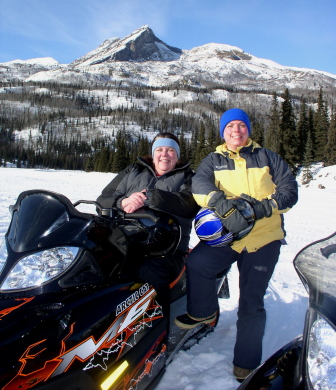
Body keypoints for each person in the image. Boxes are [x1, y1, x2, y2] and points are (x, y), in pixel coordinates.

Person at [174, 108, 298, 382]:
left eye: (241, 125)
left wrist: (262, 208)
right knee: (197, 263)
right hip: (229, 235)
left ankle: (246, 362)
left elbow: (289, 192)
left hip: (264, 238)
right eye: (230, 126)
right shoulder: (213, 159)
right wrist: (220, 202)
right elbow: (199, 184)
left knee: (251, 303)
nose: (236, 131)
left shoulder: (268, 157)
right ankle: (203, 313)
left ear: (248, 130)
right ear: (223, 132)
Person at [97, 132, 199, 317]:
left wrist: (149, 197)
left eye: (170, 150)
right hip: (122, 241)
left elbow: (189, 204)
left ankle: (157, 334)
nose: (164, 154)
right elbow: (104, 199)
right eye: (159, 149)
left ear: (177, 155)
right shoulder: (134, 170)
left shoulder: (188, 177)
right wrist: (123, 202)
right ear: (153, 154)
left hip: (166, 251)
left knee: (147, 272)